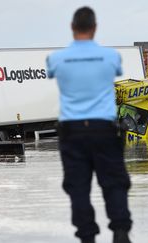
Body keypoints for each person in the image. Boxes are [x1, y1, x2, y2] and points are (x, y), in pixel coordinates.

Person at [46, 6, 132, 243]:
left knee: (78, 187)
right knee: (114, 182)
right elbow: (116, 71)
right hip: (104, 130)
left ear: (72, 28)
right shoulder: (111, 56)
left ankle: (87, 237)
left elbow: (51, 73)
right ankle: (121, 232)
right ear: (95, 28)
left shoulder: (56, 59)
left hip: (72, 132)